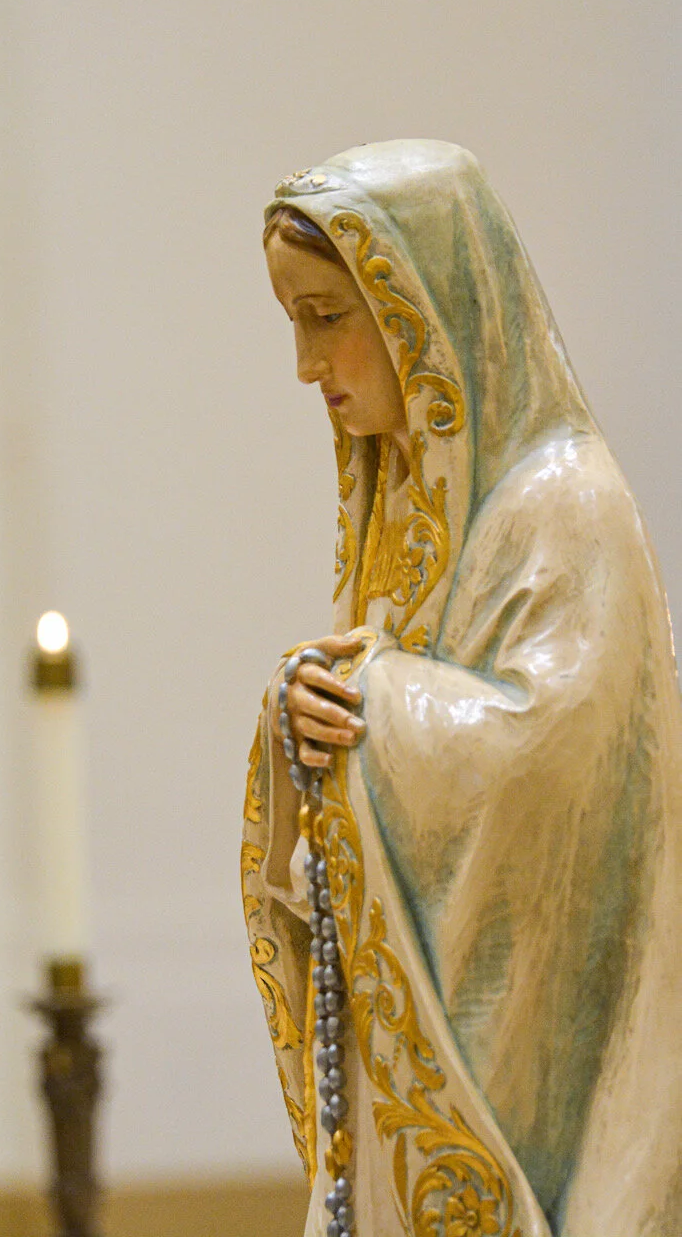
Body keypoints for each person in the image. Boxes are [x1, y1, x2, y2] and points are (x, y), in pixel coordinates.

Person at [241, 140, 682, 1237]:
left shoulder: (564, 503)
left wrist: (367, 704)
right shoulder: (401, 503)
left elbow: (559, 769)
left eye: (325, 317)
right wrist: (298, 713)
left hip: (540, 1075)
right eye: (292, 320)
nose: (304, 364)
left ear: (425, 312)